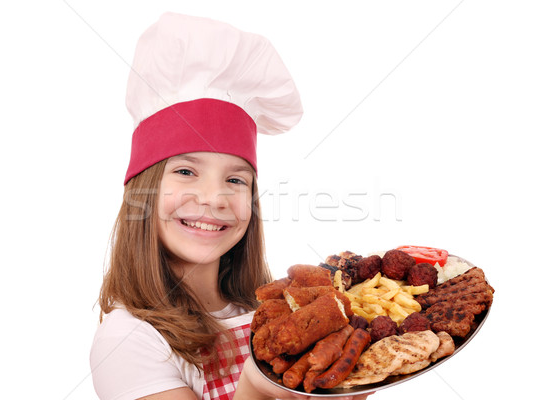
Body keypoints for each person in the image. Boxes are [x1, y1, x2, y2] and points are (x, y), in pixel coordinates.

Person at [89, 12, 372, 400]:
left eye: (235, 180)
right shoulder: (129, 339)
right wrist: (258, 385)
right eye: (186, 171)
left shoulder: (262, 312)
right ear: (145, 189)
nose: (213, 198)